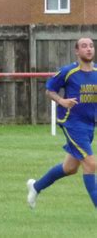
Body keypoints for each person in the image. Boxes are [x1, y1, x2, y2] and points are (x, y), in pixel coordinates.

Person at [27, 37, 97, 209]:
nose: (88, 49)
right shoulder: (68, 71)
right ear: (76, 51)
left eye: (91, 46)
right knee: (91, 163)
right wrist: (61, 101)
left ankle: (36, 186)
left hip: (89, 125)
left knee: (70, 168)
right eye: (84, 46)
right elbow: (49, 90)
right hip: (72, 123)